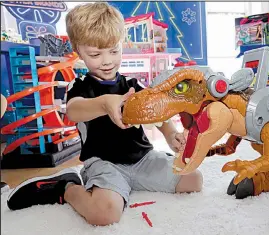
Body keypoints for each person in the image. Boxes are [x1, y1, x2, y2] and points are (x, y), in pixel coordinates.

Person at [7, 2, 203, 226]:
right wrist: (103, 104)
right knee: (104, 215)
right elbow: (73, 111)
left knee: (193, 178)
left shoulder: (131, 85)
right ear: (78, 50)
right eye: (95, 54)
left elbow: (156, 113)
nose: (107, 60)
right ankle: (67, 187)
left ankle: (126, 186)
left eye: (113, 50)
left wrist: (170, 134)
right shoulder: (81, 87)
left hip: (143, 158)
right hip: (104, 163)